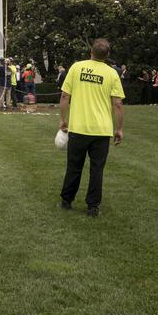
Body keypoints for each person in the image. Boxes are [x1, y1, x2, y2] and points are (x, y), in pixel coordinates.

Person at [58, 38, 125, 217]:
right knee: (97, 169)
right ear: (107, 55)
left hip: (78, 127)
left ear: (91, 52)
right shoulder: (112, 73)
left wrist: (62, 120)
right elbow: (117, 104)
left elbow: (65, 96)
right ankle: (93, 206)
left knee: (74, 166)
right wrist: (119, 129)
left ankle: (66, 200)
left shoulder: (77, 67)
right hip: (101, 130)